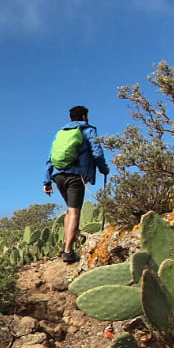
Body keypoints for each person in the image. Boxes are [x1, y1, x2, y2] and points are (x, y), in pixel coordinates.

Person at [43, 105, 110, 263]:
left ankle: (65, 245)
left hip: (58, 175)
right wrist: (103, 168)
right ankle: (68, 252)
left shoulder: (60, 133)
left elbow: (50, 156)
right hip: (75, 175)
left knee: (69, 211)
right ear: (85, 117)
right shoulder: (88, 130)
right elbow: (97, 152)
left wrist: (47, 180)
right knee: (75, 212)